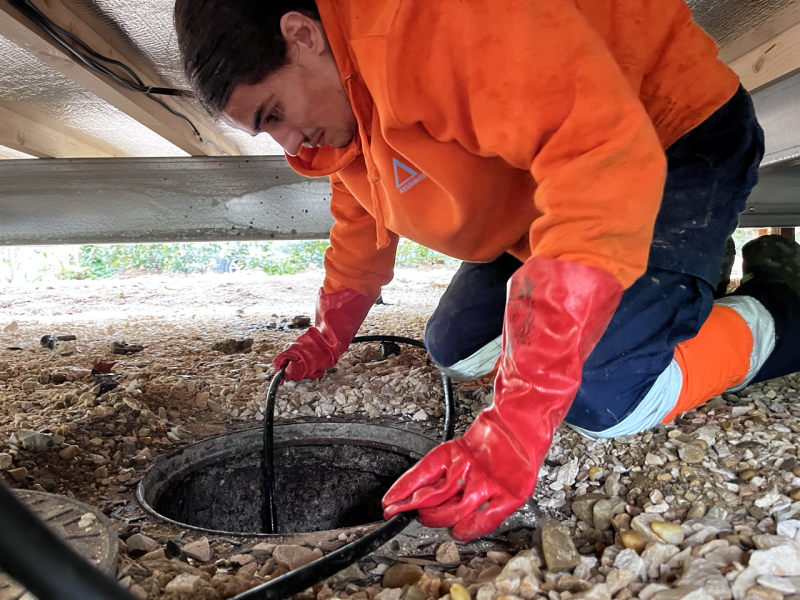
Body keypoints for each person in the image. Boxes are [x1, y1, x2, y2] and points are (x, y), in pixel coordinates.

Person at [174, 0, 800, 541]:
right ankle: (681, 276)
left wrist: (520, 421)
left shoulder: (436, 24)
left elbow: (596, 163)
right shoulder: (342, 106)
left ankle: (781, 299)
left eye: (273, 113)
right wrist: (330, 331)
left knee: (607, 399)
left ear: (301, 34)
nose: (289, 145)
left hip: (666, 142)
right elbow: (360, 216)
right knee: (455, 351)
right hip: (540, 195)